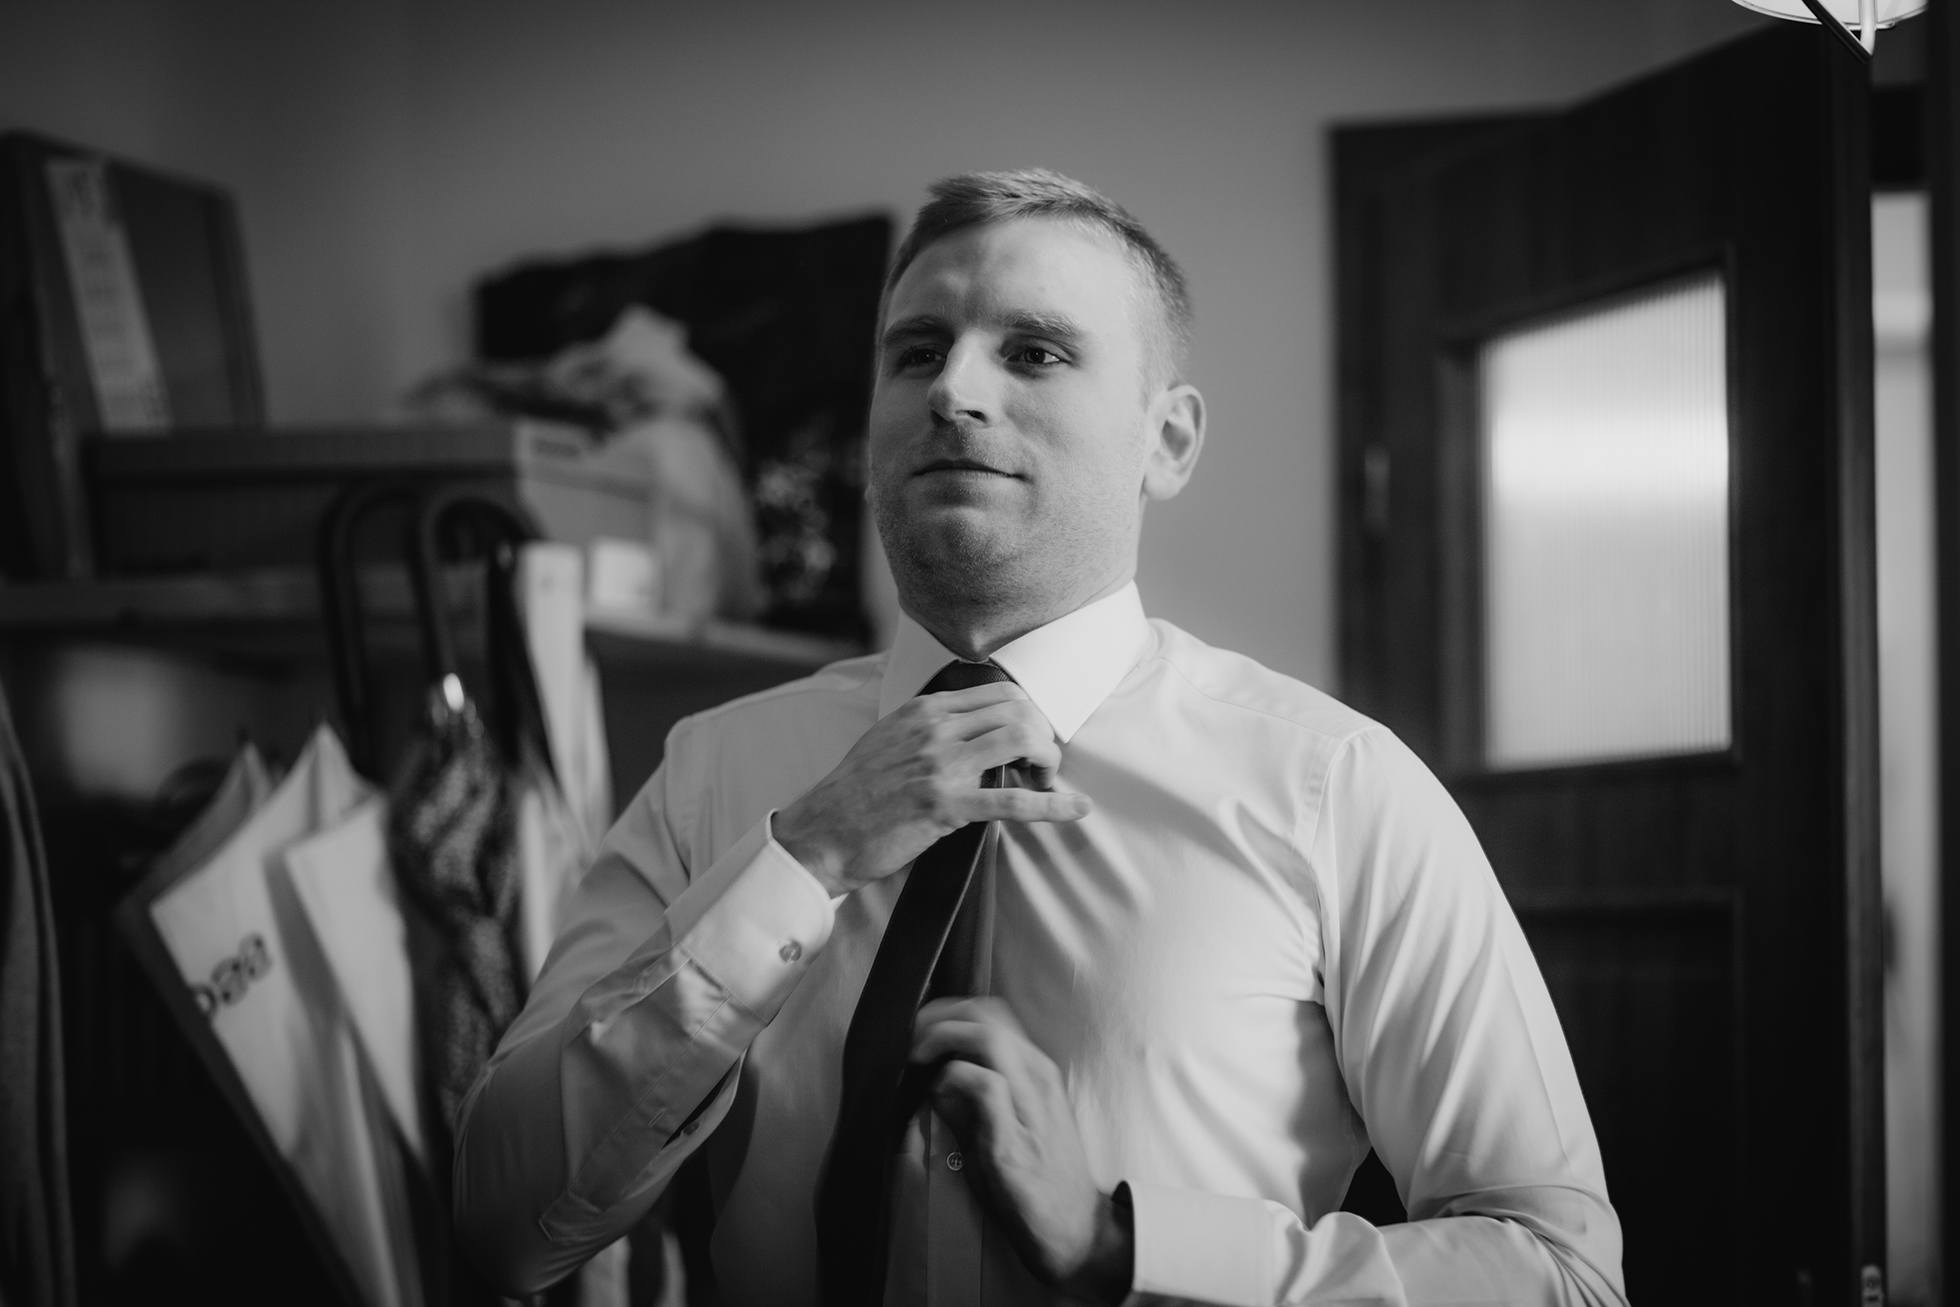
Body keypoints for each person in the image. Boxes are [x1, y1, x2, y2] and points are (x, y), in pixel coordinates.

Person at [453, 168, 1626, 1306]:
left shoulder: (1334, 788)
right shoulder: (714, 772)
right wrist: (801, 859)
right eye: (916, 352)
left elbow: (1559, 1270)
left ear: (1168, 441)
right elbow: (503, 1232)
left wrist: (1129, 1245)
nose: (952, 390)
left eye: (1034, 351)